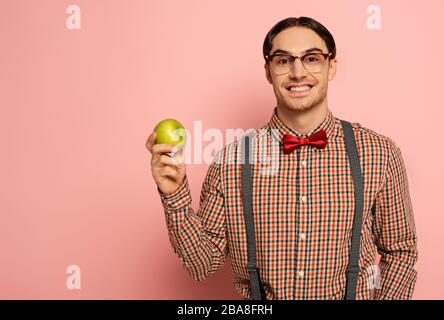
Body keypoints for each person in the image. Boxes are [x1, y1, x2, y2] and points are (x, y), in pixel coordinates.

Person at [145, 16, 418, 300]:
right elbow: (202, 265)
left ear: (331, 66)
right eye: (283, 60)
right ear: (268, 70)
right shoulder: (230, 162)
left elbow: (400, 251)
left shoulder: (379, 153)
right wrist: (174, 194)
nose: (298, 72)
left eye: (311, 58)